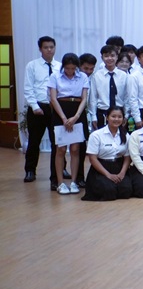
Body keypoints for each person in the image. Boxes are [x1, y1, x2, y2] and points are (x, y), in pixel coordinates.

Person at [48, 53, 89, 195]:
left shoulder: (83, 77)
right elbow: (53, 98)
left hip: (77, 111)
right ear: (63, 66)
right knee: (60, 149)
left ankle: (73, 181)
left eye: (73, 68)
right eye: (67, 68)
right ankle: (60, 183)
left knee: (75, 149)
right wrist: (64, 118)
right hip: (60, 111)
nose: (70, 71)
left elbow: (84, 98)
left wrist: (76, 116)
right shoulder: (55, 76)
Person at [24, 35, 61, 185]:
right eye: (46, 47)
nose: (49, 50)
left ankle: (60, 170)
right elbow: (28, 88)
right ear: (40, 49)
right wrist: (35, 106)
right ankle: (30, 170)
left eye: (51, 47)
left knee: (57, 142)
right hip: (38, 107)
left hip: (55, 107)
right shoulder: (32, 65)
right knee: (34, 141)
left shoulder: (60, 66)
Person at [81, 106, 132, 201]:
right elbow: (92, 159)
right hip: (101, 168)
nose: (116, 119)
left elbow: (127, 157)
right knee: (108, 190)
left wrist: (122, 173)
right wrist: (108, 175)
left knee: (126, 189)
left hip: (119, 166)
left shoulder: (126, 135)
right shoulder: (96, 135)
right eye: (113, 116)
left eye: (119, 117)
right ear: (107, 117)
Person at [88, 44, 134, 132]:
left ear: (117, 57)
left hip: (119, 112)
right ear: (102, 58)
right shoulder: (96, 76)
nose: (109, 58)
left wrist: (126, 115)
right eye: (106, 56)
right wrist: (93, 116)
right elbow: (93, 98)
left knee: (120, 137)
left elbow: (127, 97)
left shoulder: (124, 75)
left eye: (112, 56)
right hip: (103, 112)